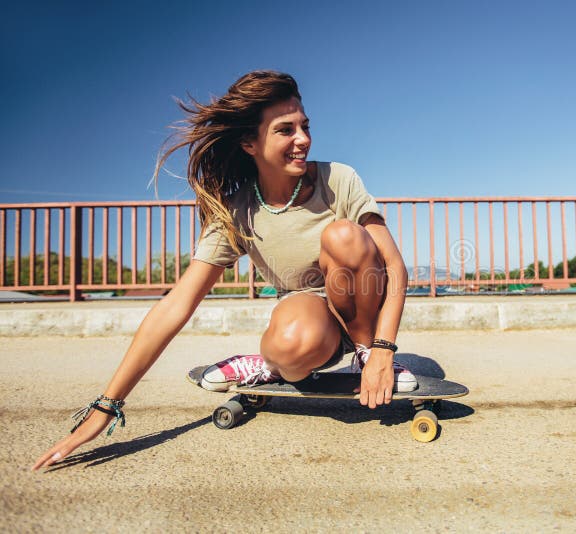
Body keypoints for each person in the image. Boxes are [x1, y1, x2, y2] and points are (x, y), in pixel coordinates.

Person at [32, 70, 414, 471]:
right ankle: (268, 365)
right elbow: (175, 306)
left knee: (344, 236)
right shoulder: (236, 209)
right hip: (308, 316)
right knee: (291, 343)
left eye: (305, 126)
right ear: (250, 143)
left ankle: (364, 352)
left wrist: (384, 352)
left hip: (362, 314)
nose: (303, 139)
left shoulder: (339, 179)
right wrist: (107, 405)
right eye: (285, 130)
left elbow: (394, 267)